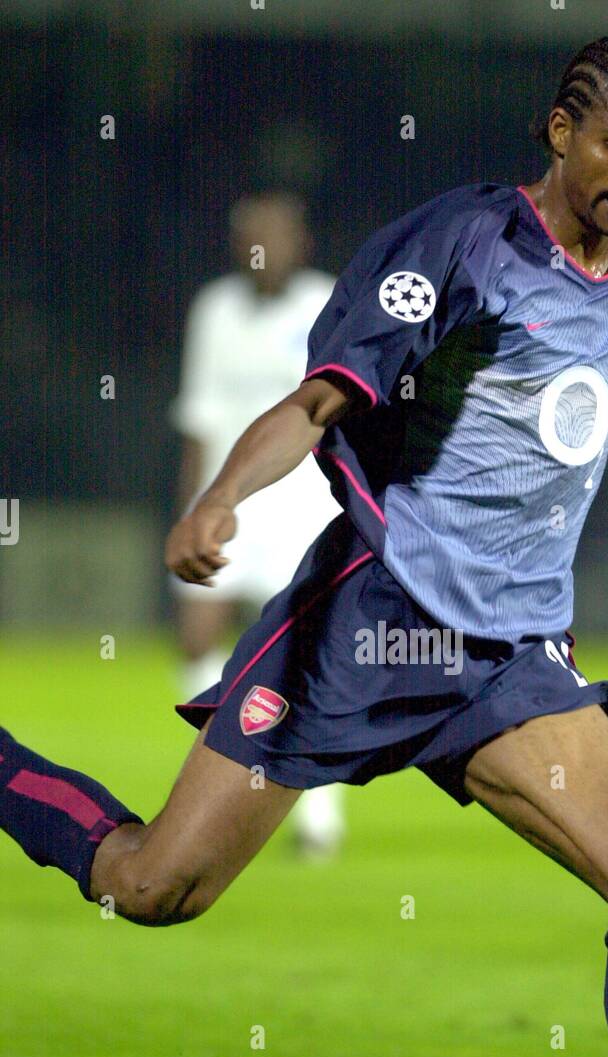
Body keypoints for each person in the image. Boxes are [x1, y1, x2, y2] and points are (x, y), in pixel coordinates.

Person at [4, 36, 608, 1057]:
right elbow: (320, 398)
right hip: (369, 622)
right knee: (154, 886)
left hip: (509, 661)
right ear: (558, 131)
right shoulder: (459, 246)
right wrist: (224, 498)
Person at [170, 191, 344, 856]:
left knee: (304, 660)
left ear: (299, 243)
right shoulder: (214, 309)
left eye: (273, 238)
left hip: (303, 503)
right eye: (249, 239)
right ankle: (237, 764)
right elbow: (199, 416)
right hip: (230, 498)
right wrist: (193, 508)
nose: (260, 252)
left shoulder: (324, 303)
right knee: (196, 638)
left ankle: (317, 819)